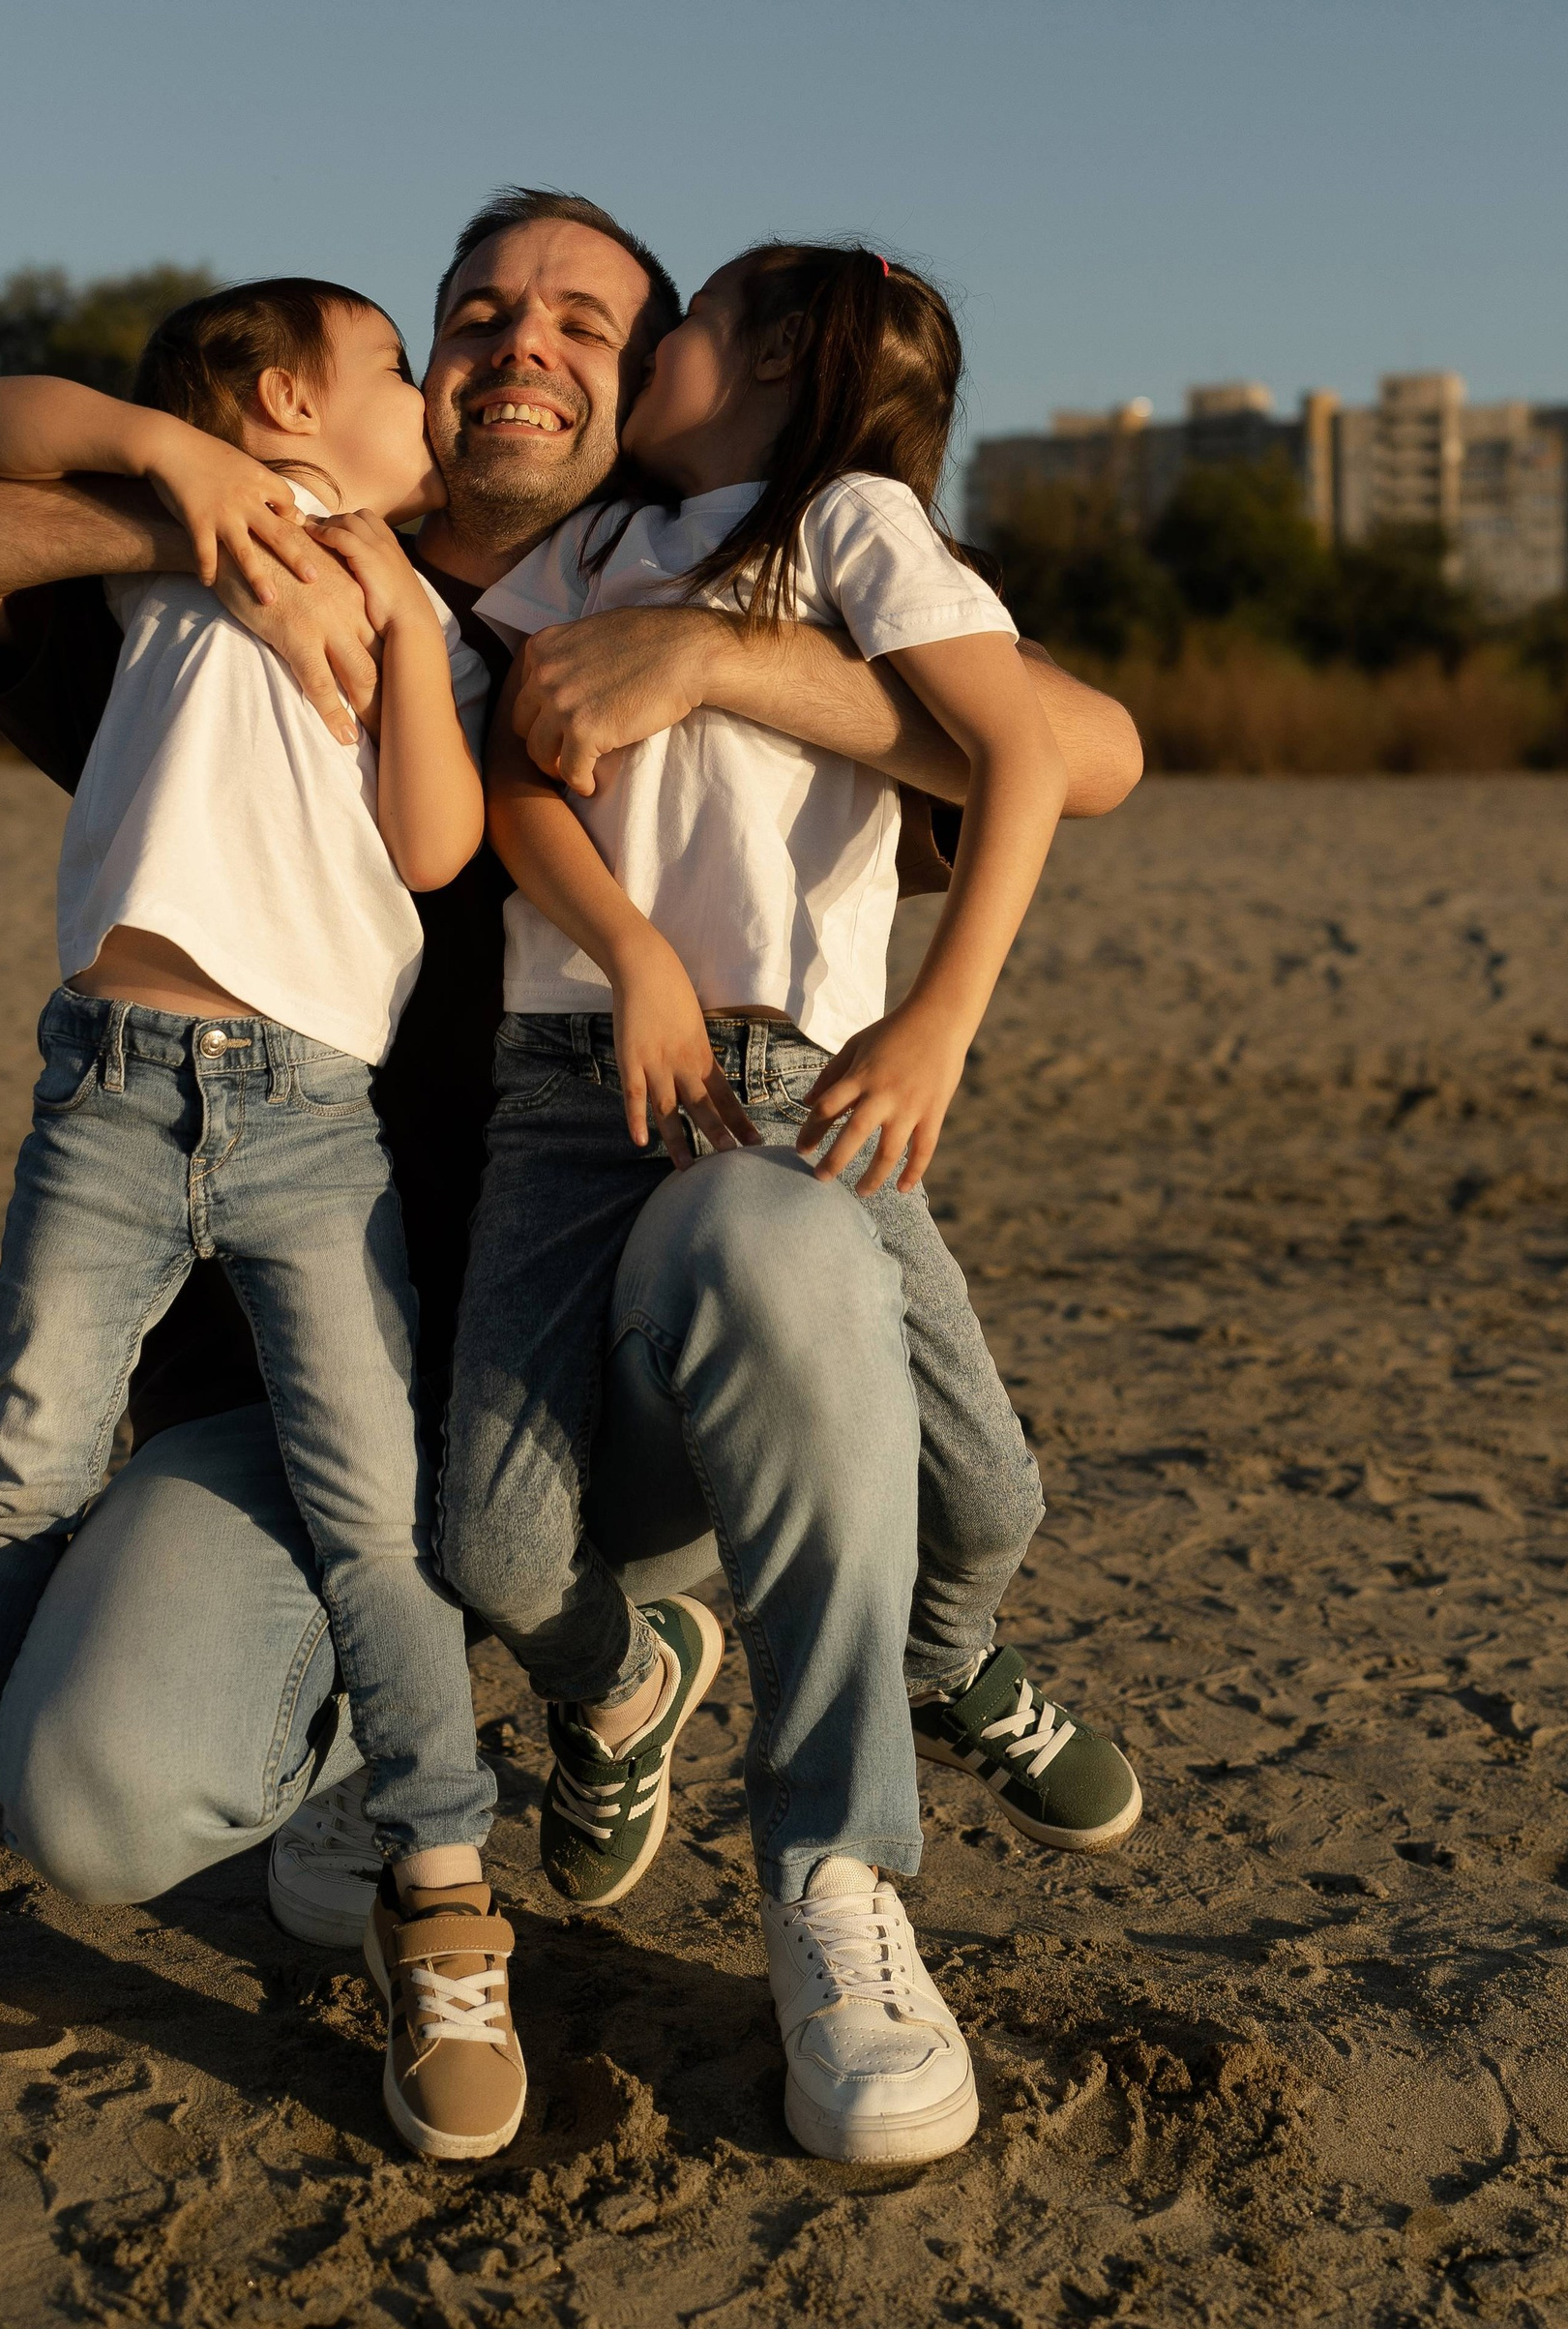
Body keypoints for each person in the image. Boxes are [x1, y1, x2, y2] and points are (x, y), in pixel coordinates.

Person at [0, 189, 1144, 2165]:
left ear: (658, 388)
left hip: (621, 1387)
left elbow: (1082, 749)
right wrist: (212, 517)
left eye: (589, 324)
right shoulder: (229, 627)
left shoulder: (735, 610)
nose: (525, 342)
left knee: (773, 1237)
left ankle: (831, 1884)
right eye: (479, 313)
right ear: (417, 385)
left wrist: (711, 659)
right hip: (282, 1389)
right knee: (93, 1798)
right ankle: (402, 1702)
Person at [0, 281, 525, 2164]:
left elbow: (439, 849)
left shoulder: (406, 596)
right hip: (109, 1086)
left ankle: (441, 1887)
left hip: (309, 1119)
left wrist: (387, 620)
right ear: (286, 394)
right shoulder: (160, 553)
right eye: (389, 368)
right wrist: (173, 466)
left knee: (372, 1503)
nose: (419, 401)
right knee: (16, 1462)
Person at [445, 249, 1139, 2087]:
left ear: (775, 362)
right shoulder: (587, 555)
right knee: (490, 1541)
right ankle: (632, 1678)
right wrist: (632, 956)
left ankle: (954, 1661)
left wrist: (936, 1026)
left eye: (680, 324)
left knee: (988, 1494)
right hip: (567, 1082)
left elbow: (1025, 753)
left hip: (819, 1087)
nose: (650, 350)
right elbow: (517, 765)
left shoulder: (850, 524)